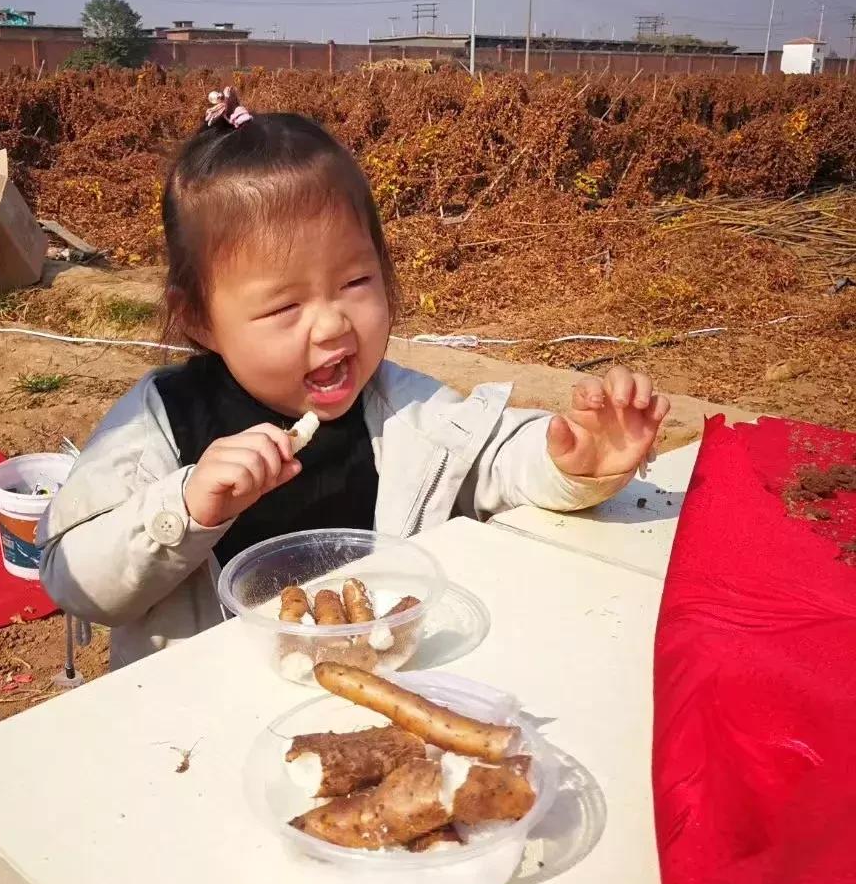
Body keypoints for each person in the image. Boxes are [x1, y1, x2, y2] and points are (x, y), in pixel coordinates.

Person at [39, 88, 670, 670]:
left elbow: (494, 460)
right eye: (285, 307)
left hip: (375, 676)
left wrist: (573, 464)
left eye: (356, 283)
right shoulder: (159, 420)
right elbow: (75, 580)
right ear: (199, 318)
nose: (331, 324)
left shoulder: (402, 409)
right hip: (205, 706)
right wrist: (184, 506)